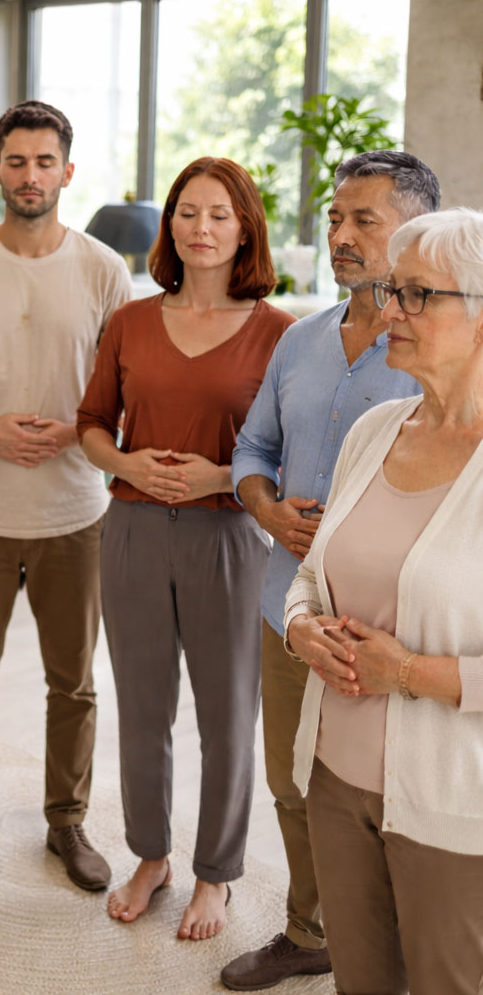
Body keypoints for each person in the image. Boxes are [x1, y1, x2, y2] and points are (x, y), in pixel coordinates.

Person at [223, 150, 440, 990]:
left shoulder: (443, 349)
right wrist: (266, 507)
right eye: (335, 218)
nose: (341, 236)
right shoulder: (299, 338)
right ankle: (308, 928)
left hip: (394, 621)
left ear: (413, 233)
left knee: (388, 797)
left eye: (365, 221)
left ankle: (402, 944)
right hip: (289, 605)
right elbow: (252, 447)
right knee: (293, 780)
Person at [0, 100, 132, 891]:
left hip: (75, 513)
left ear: (67, 173)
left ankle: (67, 824)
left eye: (45, 162)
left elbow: (122, 393)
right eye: (16, 161)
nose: (30, 176)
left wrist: (75, 431)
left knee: (72, 681)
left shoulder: (105, 271)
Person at [78, 156, 294, 940]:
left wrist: (223, 475)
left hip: (229, 537)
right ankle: (150, 854)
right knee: (142, 706)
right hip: (132, 530)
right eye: (187, 212)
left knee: (228, 712)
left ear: (246, 231)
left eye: (219, 215)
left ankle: (216, 874)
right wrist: (128, 462)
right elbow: (92, 424)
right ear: (169, 224)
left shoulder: (282, 333)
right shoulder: (130, 321)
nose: (200, 229)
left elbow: (287, 454)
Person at [283, 207, 483, 995]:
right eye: (389, 290)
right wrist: (300, 630)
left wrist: (407, 671)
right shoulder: (374, 430)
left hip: (452, 800)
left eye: (415, 295)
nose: (387, 310)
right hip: (334, 778)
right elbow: (312, 576)